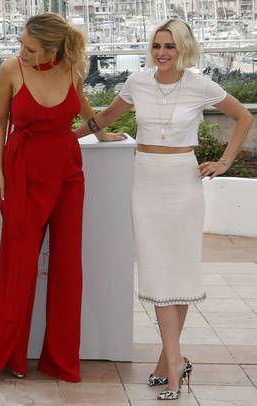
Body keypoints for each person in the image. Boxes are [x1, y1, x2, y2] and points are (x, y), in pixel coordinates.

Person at [74, 19, 252, 400]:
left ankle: (170, 363)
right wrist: (62, 138)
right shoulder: (138, 82)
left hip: (183, 182)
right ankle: (172, 362)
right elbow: (105, 118)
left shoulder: (200, 84)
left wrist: (224, 162)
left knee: (180, 270)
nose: (162, 53)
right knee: (157, 272)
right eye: (157, 46)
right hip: (147, 181)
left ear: (182, 48)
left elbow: (243, 117)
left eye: (169, 46)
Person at [0, 12, 125, 387]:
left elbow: (81, 108)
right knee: (18, 267)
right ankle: (4, 356)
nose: (22, 52)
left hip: (67, 172)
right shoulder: (12, 70)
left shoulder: (73, 68)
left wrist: (99, 133)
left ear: (52, 49)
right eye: (21, 45)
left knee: (67, 268)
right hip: (23, 171)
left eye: (30, 48)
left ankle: (60, 361)